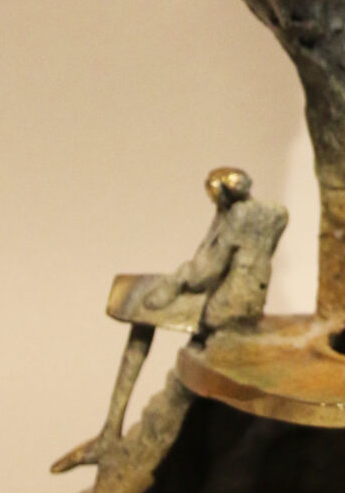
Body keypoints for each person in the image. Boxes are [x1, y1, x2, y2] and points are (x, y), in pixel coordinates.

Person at [50, 168, 287, 474]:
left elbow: (206, 271)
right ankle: (109, 432)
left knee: (140, 313)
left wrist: (174, 282)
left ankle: (109, 434)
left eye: (213, 194)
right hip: (251, 301)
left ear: (224, 193)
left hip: (225, 308)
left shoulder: (236, 218)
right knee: (144, 310)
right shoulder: (275, 214)